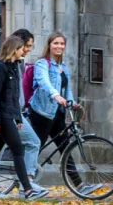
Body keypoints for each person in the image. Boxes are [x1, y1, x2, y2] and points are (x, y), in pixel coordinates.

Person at [0, 35, 45, 201]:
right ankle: (27, 190)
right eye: (21, 48)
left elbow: (14, 97)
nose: (23, 51)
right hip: (2, 117)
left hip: (9, 115)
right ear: (14, 50)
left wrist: (18, 119)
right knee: (18, 150)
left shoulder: (13, 67)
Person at [27, 31, 101, 196]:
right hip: (41, 112)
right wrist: (55, 95)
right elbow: (43, 82)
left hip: (57, 114)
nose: (59, 46)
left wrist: (72, 102)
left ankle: (79, 185)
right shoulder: (42, 63)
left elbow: (66, 89)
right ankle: (27, 183)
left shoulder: (63, 67)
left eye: (62, 44)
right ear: (49, 45)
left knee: (65, 148)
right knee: (34, 147)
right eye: (56, 43)